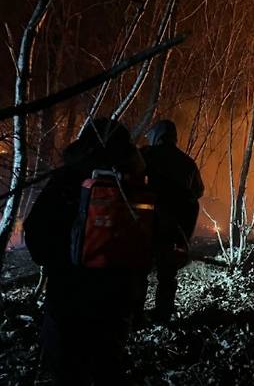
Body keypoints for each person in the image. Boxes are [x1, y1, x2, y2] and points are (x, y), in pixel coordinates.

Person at [24, 118, 146, 385]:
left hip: (68, 295)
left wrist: (55, 262)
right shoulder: (134, 184)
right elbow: (150, 240)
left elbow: (35, 230)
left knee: (67, 371)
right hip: (117, 299)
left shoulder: (68, 177)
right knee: (106, 368)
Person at [138, 119, 204, 322]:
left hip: (148, 223)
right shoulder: (187, 162)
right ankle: (163, 314)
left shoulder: (148, 154)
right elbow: (198, 191)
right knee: (167, 275)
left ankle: (135, 314)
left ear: (157, 136)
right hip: (175, 228)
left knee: (140, 271)